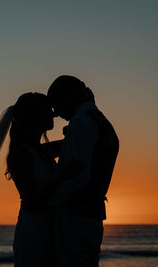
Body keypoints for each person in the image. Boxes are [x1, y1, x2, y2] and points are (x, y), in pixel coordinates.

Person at [47, 75, 119, 266]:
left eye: (57, 105)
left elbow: (79, 171)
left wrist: (50, 196)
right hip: (91, 218)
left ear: (68, 98)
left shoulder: (81, 122)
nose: (57, 113)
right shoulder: (100, 121)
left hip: (75, 219)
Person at [6, 92, 83, 267]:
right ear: (34, 116)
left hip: (50, 226)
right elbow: (31, 198)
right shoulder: (21, 153)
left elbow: (71, 144)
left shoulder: (42, 150)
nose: (54, 113)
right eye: (48, 110)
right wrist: (63, 175)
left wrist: (74, 131)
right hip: (33, 227)